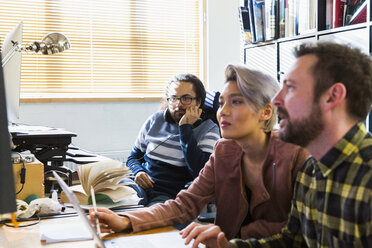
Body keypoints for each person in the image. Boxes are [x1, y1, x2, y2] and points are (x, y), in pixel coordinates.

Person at [89, 65, 309, 243]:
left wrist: (233, 243)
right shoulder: (224, 151)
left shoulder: (296, 153)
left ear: (266, 112)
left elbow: (299, 229)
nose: (223, 111)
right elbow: (184, 205)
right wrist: (126, 221)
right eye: (222, 102)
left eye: (236, 102)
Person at [209, 41, 372, 248]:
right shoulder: (311, 171)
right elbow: (293, 240)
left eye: (291, 87)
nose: (276, 100)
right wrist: (231, 247)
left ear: (332, 96)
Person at [126, 73, 220, 206]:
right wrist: (138, 171)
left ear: (198, 102)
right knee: (107, 200)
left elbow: (199, 172)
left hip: (168, 195)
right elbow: (133, 157)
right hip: (139, 186)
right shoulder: (155, 120)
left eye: (186, 98)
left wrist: (185, 128)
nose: (178, 104)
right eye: (174, 98)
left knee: (146, 219)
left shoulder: (209, 129)